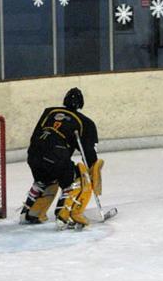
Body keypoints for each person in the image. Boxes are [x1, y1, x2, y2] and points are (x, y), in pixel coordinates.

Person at [20, 87, 103, 229]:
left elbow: (35, 136)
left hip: (34, 155)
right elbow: (89, 153)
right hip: (56, 154)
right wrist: (92, 170)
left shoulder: (49, 112)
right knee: (78, 177)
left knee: (45, 179)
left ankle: (30, 212)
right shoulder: (85, 122)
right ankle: (65, 215)